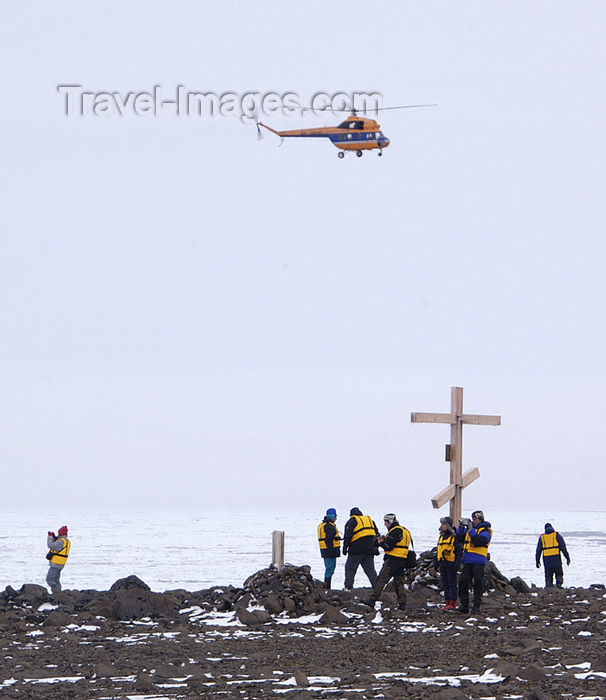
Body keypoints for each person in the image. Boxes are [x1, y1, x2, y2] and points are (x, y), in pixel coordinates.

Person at [364, 513, 411, 610]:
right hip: (402, 560)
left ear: (390, 521)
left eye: (385, 522)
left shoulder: (395, 531)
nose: (385, 524)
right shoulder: (405, 531)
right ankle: (402, 604)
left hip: (393, 560)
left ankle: (372, 601)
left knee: (381, 580)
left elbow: (388, 546)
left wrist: (381, 542)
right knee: (399, 583)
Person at [455, 510, 492, 614]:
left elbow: (478, 541)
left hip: (478, 561)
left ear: (480, 519)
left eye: (475, 519)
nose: (473, 521)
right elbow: (459, 538)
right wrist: (461, 527)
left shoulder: (486, 531)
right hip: (467, 560)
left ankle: (476, 606)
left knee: (478, 583)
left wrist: (470, 529)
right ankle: (464, 605)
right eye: (472, 519)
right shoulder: (471, 530)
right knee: (463, 582)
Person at [342, 507, 379, 590]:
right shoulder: (370, 521)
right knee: (370, 570)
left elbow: (348, 536)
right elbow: (376, 535)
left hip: (356, 550)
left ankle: (348, 588)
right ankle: (377, 588)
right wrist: (376, 548)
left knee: (350, 568)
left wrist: (345, 548)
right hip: (369, 550)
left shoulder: (352, 521)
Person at [435, 515, 462, 611]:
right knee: (445, 584)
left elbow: (459, 551)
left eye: (444, 524)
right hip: (442, 563)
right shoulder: (441, 536)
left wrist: (457, 564)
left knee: (452, 584)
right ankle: (447, 602)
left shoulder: (454, 537)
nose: (442, 526)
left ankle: (452, 603)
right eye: (442, 524)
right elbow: (438, 549)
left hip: (451, 563)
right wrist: (436, 562)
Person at [536, 522, 571, 588]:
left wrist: (537, 561)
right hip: (556, 559)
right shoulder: (557, 535)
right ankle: (559, 585)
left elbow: (538, 550)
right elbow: (563, 547)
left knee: (548, 576)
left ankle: (549, 588)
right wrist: (567, 558)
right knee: (559, 573)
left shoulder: (542, 537)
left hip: (547, 561)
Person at [317, 507, 341, 589]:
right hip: (330, 551)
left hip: (324, 550)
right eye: (335, 516)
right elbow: (329, 539)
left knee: (329, 569)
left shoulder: (323, 525)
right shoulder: (330, 527)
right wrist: (331, 550)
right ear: (331, 516)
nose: (336, 518)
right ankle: (327, 588)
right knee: (330, 569)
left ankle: (326, 587)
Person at [46, 525, 71, 593]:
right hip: (61, 564)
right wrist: (54, 538)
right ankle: (60, 593)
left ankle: (56, 591)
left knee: (49, 579)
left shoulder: (60, 541)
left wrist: (50, 537)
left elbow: (50, 545)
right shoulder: (67, 541)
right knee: (56, 580)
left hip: (56, 564)